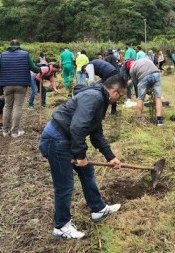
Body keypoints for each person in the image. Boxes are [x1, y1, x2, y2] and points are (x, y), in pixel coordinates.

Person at [38, 74, 127, 239]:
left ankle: (98, 209)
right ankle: (61, 226)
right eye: (120, 96)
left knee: (87, 171)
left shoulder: (100, 99)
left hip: (67, 139)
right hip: (56, 140)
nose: (118, 100)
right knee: (64, 185)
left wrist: (110, 157)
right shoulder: (93, 97)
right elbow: (78, 127)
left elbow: (96, 133)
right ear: (114, 91)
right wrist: (80, 156)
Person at [0, 39, 41, 137]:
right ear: (19, 45)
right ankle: (15, 132)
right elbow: (33, 68)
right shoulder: (25, 54)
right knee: (17, 107)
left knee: (7, 106)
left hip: (7, 85)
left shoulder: (3, 54)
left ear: (10, 46)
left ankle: (5, 131)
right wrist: (40, 69)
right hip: (21, 85)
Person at [126, 59, 164, 126]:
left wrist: (145, 90)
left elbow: (136, 83)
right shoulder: (145, 59)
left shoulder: (131, 69)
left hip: (144, 77)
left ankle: (139, 118)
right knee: (158, 97)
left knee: (140, 98)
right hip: (157, 74)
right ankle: (159, 121)